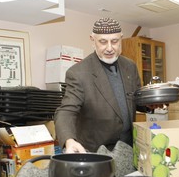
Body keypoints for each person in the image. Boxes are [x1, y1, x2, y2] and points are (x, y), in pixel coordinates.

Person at [54, 17, 147, 154]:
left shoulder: (130, 66)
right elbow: (66, 111)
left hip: (128, 151)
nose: (109, 48)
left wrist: (151, 103)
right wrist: (69, 140)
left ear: (121, 38)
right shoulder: (78, 73)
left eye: (114, 41)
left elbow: (136, 100)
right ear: (93, 40)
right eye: (103, 42)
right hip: (97, 154)